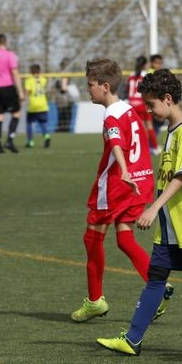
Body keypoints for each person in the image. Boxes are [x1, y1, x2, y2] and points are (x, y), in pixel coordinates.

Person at [96, 69, 182, 355]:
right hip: (170, 227)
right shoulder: (172, 131)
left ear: (168, 99)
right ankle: (132, 339)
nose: (148, 110)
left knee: (157, 277)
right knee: (156, 278)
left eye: (151, 104)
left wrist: (153, 207)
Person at [70, 58, 164, 323]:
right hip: (139, 182)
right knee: (124, 238)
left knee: (92, 239)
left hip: (116, 185)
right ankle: (158, 286)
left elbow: (116, 143)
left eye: (91, 84)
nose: (88, 89)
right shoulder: (129, 110)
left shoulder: (111, 114)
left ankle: (95, 301)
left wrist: (123, 170)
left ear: (105, 86)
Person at [0, 34, 24, 153]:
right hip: (7, 87)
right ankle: (9, 140)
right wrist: (20, 91)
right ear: (6, 43)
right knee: (16, 113)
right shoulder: (10, 55)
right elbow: (15, 73)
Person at [126, 55, 160, 154]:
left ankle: (143, 147)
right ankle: (154, 147)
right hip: (142, 103)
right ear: (145, 65)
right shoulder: (145, 75)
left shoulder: (130, 75)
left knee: (139, 127)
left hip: (132, 104)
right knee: (148, 126)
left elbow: (127, 90)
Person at [23, 63, 51, 148]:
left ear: (31, 71)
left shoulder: (29, 80)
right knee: (43, 122)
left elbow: (27, 92)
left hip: (33, 104)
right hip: (43, 104)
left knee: (29, 123)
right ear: (39, 71)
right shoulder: (43, 79)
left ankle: (30, 141)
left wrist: (23, 99)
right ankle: (46, 136)